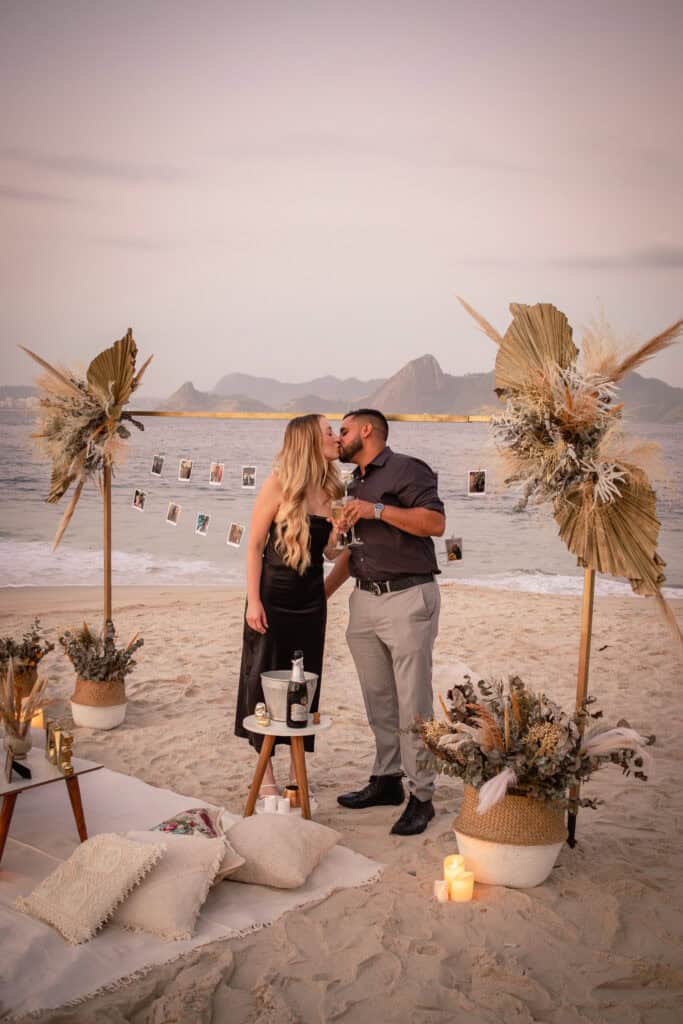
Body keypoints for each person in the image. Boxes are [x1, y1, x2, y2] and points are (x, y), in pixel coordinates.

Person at [325, 408, 445, 835]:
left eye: (343, 431)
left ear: (367, 430)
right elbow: (352, 552)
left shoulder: (407, 469)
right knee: (378, 698)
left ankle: (422, 795)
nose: (338, 438)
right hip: (364, 601)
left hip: (408, 598)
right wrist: (322, 594)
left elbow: (434, 523)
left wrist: (376, 509)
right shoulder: (353, 484)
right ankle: (387, 779)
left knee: (413, 702)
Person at [234, 414, 343, 795]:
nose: (337, 436)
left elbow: (328, 553)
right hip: (273, 597)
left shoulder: (331, 489)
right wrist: (253, 602)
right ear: (309, 441)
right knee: (262, 680)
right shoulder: (278, 483)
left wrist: (339, 535)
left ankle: (298, 774)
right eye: (329, 431)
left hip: (311, 600)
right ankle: (265, 777)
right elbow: (253, 546)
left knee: (305, 683)